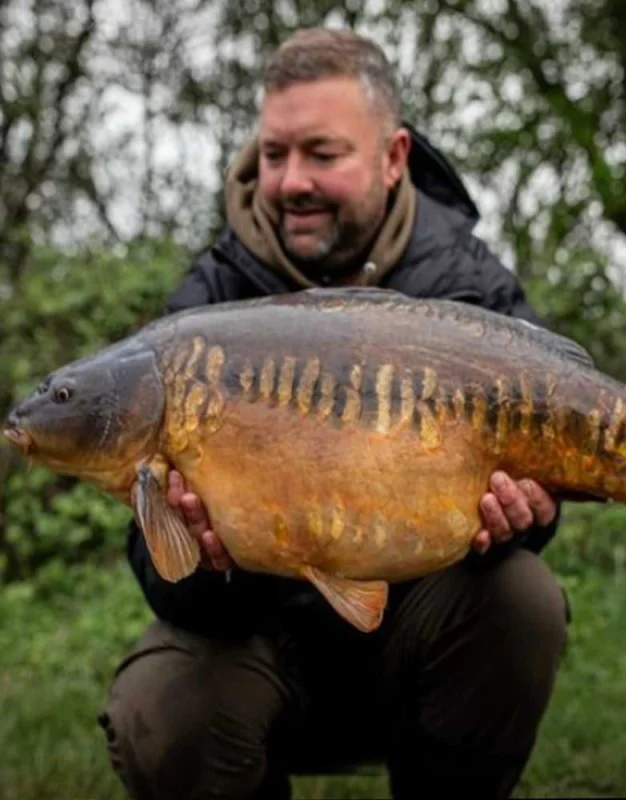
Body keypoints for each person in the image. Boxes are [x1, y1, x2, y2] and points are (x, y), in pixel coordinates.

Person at [98, 28, 569, 800]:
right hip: (265, 648)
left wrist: (527, 515)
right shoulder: (209, 304)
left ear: (393, 157)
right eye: (273, 154)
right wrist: (210, 556)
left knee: (523, 597)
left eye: (322, 154)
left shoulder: (468, 287)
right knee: (160, 706)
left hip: (421, 644)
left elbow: (538, 501)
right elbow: (163, 579)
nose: (289, 181)